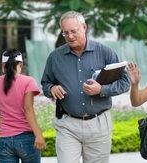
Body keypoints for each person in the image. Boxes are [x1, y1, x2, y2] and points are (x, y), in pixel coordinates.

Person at [41, 11, 130, 163]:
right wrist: (51, 89)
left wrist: (101, 90)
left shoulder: (105, 53)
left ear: (84, 27)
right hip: (67, 124)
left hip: (99, 123)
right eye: (65, 33)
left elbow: (125, 83)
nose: (70, 36)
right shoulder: (55, 57)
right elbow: (45, 83)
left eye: (73, 31)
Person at [0, 49, 46, 163]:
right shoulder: (28, 81)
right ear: (21, 64)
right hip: (26, 139)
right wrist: (38, 135)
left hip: (4, 140)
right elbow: (28, 109)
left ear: (3, 65)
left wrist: (2, 132)